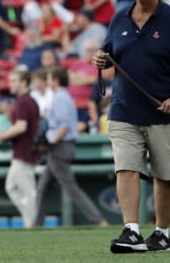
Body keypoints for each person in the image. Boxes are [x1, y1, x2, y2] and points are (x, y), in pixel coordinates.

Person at [92, 0, 170, 253]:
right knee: (125, 168)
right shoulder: (119, 18)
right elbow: (107, 52)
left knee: (165, 176)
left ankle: (161, 233)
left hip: (166, 112)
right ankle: (130, 230)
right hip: (124, 110)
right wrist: (100, 60)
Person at [32, 66, 106, 227]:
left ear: (56, 80)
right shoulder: (60, 96)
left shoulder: (61, 97)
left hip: (61, 147)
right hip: (58, 147)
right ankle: (36, 224)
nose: (48, 81)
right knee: (42, 188)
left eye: (50, 78)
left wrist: (50, 142)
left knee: (71, 188)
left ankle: (98, 220)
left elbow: (64, 126)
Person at [0, 69, 40, 228]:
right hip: (23, 151)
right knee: (11, 187)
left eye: (14, 80)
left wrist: (4, 135)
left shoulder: (23, 101)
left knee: (29, 193)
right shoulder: (28, 100)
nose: (11, 84)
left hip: (24, 151)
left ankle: (33, 225)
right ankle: (31, 221)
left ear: (23, 82)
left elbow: (21, 127)